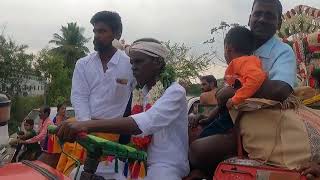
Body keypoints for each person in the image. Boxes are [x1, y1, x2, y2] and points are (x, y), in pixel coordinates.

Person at [187, 0, 297, 179]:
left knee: (198, 151)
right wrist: (209, 114)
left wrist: (235, 91)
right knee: (189, 133)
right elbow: (228, 94)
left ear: (279, 23)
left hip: (263, 124)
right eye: (258, 14)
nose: (261, 19)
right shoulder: (244, 49)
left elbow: (281, 89)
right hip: (236, 119)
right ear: (249, 18)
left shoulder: (283, 51)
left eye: (269, 15)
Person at [57, 38, 189, 180]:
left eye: (138, 62)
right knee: (76, 173)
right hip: (136, 159)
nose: (133, 67)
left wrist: (84, 125)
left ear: (157, 62)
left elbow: (142, 124)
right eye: (132, 63)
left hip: (166, 165)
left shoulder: (175, 92)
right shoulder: (140, 93)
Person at [56, 11, 134, 175]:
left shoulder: (130, 65)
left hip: (111, 134)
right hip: (83, 130)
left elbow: (142, 97)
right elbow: (79, 96)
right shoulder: (83, 64)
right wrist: (85, 125)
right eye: (95, 31)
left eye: (102, 31)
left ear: (117, 34)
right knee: (71, 173)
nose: (96, 36)